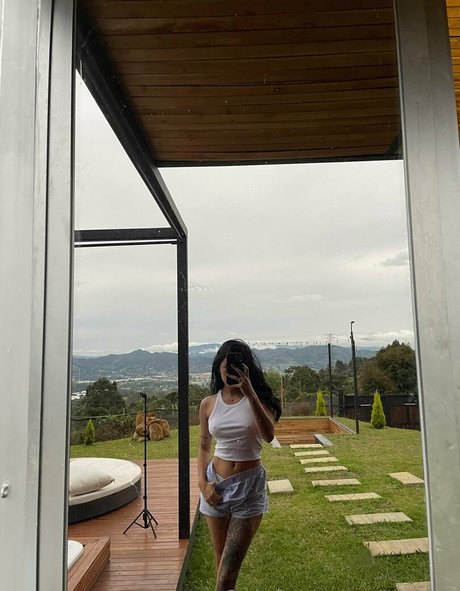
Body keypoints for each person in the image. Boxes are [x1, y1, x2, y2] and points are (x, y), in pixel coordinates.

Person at [198, 339, 282, 591]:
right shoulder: (208, 403)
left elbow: (269, 436)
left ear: (246, 369)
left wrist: (250, 393)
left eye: (236, 369)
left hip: (248, 487)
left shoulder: (260, 400)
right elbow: (204, 446)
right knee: (220, 561)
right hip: (215, 485)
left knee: (227, 572)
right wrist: (202, 484)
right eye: (226, 369)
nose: (230, 374)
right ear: (218, 369)